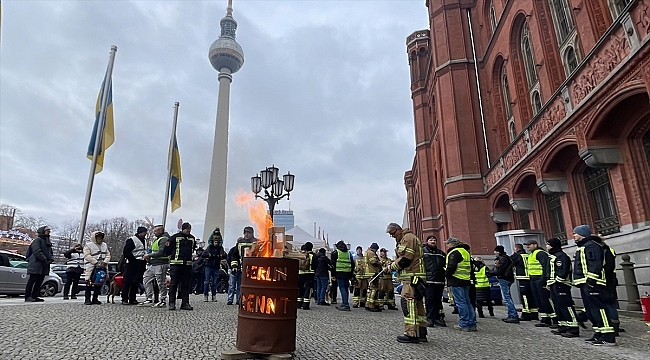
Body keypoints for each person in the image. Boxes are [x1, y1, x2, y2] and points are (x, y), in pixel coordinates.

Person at [572, 225, 616, 345]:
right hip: (584, 282)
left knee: (599, 309)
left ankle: (608, 336)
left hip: (593, 283)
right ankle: (598, 333)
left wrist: (591, 280)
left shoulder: (591, 246)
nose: (574, 235)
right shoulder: (583, 246)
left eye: (575, 233)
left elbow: (595, 263)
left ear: (582, 234)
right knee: (591, 310)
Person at [386, 223, 427, 343]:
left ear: (398, 230)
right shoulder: (411, 237)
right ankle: (422, 333)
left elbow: (405, 260)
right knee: (419, 306)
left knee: (408, 305)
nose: (393, 236)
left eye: (393, 233)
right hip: (417, 277)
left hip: (411, 278)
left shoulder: (407, 238)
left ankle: (411, 334)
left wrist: (392, 266)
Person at [545, 237, 579, 338]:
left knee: (566, 306)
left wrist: (557, 282)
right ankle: (563, 326)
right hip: (554, 285)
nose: (547, 246)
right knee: (558, 306)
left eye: (548, 244)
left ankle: (573, 328)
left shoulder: (561, 256)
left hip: (561, 285)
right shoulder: (553, 256)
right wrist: (549, 283)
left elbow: (562, 271)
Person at [445, 237, 476, 332]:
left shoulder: (454, 253)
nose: (447, 245)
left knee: (461, 303)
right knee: (467, 302)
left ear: (452, 244)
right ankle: (472, 323)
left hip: (456, 280)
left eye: (448, 243)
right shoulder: (465, 252)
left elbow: (451, 267)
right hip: (466, 280)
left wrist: (446, 274)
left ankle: (464, 324)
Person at [165, 222, 196, 310]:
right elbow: (167, 249)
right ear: (183, 229)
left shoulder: (192, 238)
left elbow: (193, 249)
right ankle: (172, 303)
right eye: (187, 229)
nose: (188, 231)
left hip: (187, 265)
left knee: (186, 285)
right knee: (174, 284)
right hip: (176, 264)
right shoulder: (174, 237)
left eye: (190, 229)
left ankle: (185, 303)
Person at [525, 239, 557, 327]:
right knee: (538, 300)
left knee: (545, 299)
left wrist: (544, 279)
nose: (527, 246)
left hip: (540, 279)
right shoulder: (531, 254)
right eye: (527, 245)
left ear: (535, 245)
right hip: (533, 279)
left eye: (529, 245)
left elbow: (545, 266)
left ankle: (554, 319)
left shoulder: (540, 253)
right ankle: (545, 319)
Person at [227, 226, 256, 305]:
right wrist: (234, 266)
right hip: (241, 267)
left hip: (252, 268)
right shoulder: (240, 243)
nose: (247, 234)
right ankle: (236, 299)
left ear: (252, 234)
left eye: (248, 233)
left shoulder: (256, 243)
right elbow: (234, 256)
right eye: (245, 232)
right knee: (238, 284)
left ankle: (246, 299)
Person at [142, 225, 170, 308]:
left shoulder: (163, 239)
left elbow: (162, 252)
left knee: (161, 282)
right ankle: (149, 298)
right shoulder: (158, 239)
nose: (154, 233)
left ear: (160, 231)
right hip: (153, 264)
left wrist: (149, 255)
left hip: (161, 263)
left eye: (155, 231)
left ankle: (163, 300)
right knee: (146, 279)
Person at [25, 225, 54, 302]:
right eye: (47, 231)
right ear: (42, 232)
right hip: (36, 263)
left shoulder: (47, 242)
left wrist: (51, 259)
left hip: (44, 265)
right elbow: (37, 251)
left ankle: (34, 296)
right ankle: (28, 296)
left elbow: (50, 253)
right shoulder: (37, 240)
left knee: (40, 281)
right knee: (32, 280)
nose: (48, 233)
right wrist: (44, 259)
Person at [490, 245, 518, 323]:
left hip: (504, 278)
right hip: (508, 278)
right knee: (508, 297)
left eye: (495, 251)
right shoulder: (507, 258)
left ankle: (513, 315)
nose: (494, 252)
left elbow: (500, 270)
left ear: (497, 251)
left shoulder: (502, 259)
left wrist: (489, 272)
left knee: (506, 298)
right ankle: (511, 314)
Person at [422, 235, 446, 326]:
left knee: (438, 300)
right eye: (431, 240)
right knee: (429, 299)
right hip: (429, 280)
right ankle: (430, 318)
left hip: (439, 280)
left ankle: (437, 318)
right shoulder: (423, 252)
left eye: (434, 240)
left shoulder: (441, 253)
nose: (433, 242)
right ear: (427, 241)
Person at [121, 227, 147, 305]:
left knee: (136, 282)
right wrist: (132, 260)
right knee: (128, 282)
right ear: (140, 233)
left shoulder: (144, 241)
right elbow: (126, 251)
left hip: (141, 262)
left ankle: (133, 298)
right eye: (144, 232)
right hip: (132, 263)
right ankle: (124, 298)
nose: (145, 234)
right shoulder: (132, 240)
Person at [83, 231, 111, 305]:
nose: (100, 239)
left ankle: (95, 298)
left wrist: (105, 261)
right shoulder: (88, 245)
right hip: (92, 267)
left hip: (102, 267)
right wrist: (95, 262)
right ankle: (87, 299)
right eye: (98, 237)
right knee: (89, 282)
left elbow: (108, 254)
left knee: (99, 283)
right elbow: (87, 255)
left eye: (101, 237)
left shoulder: (104, 245)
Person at [511, 243, 537, 321]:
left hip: (523, 277)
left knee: (524, 296)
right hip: (530, 277)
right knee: (531, 296)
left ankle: (526, 313)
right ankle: (534, 313)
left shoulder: (517, 255)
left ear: (517, 249)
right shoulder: (527, 255)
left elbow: (510, 261)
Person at [202, 228, 224, 302]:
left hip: (216, 267)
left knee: (214, 283)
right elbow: (203, 254)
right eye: (215, 242)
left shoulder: (220, 248)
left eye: (217, 242)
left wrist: (221, 255)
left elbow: (225, 255)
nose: (216, 243)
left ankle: (213, 296)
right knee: (207, 282)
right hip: (209, 267)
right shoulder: (209, 248)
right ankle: (205, 295)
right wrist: (209, 255)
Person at [331, 240, 355, 311]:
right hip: (347, 273)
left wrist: (333, 274)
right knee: (346, 287)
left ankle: (345, 304)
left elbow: (333, 264)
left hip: (339, 272)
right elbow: (352, 264)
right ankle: (345, 302)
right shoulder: (348, 253)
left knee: (342, 288)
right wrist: (351, 274)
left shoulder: (336, 253)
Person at [364, 243, 383, 312]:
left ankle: (374, 304)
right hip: (372, 273)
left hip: (369, 273)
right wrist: (380, 262)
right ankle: (370, 305)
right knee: (373, 289)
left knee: (373, 289)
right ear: (374, 249)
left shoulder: (367, 252)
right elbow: (374, 262)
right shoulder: (371, 253)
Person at [297, 242, 315, 310]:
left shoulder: (300, 255)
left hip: (300, 273)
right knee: (307, 288)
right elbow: (315, 265)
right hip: (310, 273)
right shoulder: (313, 255)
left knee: (300, 288)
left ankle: (298, 303)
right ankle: (306, 305)